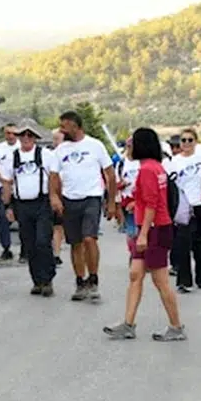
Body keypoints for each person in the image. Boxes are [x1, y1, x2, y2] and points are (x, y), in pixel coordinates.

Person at [103, 127, 185, 341]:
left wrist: (143, 234)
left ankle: (176, 326)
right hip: (152, 227)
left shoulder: (148, 170)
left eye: (132, 144)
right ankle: (128, 323)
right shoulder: (156, 167)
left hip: (154, 229)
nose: (128, 148)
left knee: (160, 279)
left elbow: (151, 204)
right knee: (135, 274)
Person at [47, 111, 117, 302]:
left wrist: (111, 202)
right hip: (70, 200)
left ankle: (93, 279)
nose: (61, 130)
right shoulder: (61, 150)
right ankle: (80, 281)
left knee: (89, 238)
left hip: (91, 198)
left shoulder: (95, 145)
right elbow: (53, 175)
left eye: (64, 126)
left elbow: (110, 174)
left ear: (75, 126)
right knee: (75, 243)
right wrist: (54, 196)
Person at [0, 122, 56, 295]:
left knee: (42, 241)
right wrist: (7, 206)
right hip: (22, 204)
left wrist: (55, 199)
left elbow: (54, 178)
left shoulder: (45, 155)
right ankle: (37, 280)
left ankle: (47, 278)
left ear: (35, 138)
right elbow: (7, 183)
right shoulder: (12, 157)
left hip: (42, 203)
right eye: (22, 135)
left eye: (29, 135)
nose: (26, 138)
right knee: (29, 243)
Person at [166, 128, 201, 293]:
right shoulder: (174, 161)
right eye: (183, 140)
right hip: (183, 206)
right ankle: (184, 281)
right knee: (183, 243)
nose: (186, 143)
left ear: (196, 142)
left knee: (200, 242)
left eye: (190, 140)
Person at [0, 123, 20, 261]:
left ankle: (25, 249)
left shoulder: (21, 147)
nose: (11, 136)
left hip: (19, 187)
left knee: (22, 218)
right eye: (8, 133)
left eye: (13, 133)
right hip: (3, 187)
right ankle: (6, 248)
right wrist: (3, 180)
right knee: (3, 218)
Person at [50, 129, 66, 265]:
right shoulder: (50, 155)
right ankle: (53, 251)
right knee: (55, 226)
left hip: (65, 193)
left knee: (59, 226)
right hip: (53, 194)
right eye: (54, 139)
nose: (56, 142)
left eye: (58, 139)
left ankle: (56, 252)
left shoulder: (66, 154)